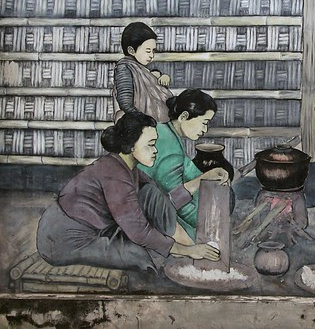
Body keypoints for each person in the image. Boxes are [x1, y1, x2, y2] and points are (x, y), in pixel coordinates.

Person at [36, 112, 220, 272]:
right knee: (138, 257)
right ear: (131, 146)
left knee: (151, 194)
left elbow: (163, 202)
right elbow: (139, 232)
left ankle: (193, 256)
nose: (155, 151)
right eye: (150, 145)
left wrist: (201, 180)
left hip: (97, 228)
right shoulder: (114, 174)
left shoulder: (129, 168)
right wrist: (188, 251)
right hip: (63, 240)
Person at [139, 89, 229, 241]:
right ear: (183, 116)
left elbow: (187, 169)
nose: (205, 130)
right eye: (204, 123)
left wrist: (212, 174)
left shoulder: (164, 130)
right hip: (147, 212)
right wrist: (208, 223)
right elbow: (177, 201)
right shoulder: (170, 147)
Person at [112, 21, 173, 123]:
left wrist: (162, 80)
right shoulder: (125, 68)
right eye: (148, 51)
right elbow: (126, 103)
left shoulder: (144, 70)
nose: (151, 55)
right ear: (131, 51)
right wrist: (144, 121)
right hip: (139, 123)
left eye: (153, 51)